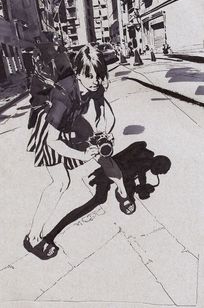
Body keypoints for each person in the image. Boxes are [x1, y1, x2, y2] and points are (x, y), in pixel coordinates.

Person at [24, 44, 135, 260]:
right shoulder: (63, 95)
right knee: (60, 183)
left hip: (73, 118)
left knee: (104, 152)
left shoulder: (95, 85)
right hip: (50, 127)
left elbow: (102, 113)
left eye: (98, 74)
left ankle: (122, 192)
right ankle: (33, 238)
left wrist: (104, 134)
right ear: (78, 72)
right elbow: (52, 140)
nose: (94, 80)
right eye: (88, 75)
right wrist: (83, 155)